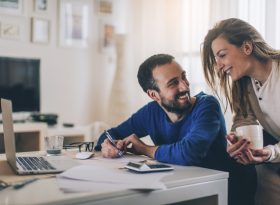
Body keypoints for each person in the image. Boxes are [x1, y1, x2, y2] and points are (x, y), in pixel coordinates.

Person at [95, 54, 256, 205]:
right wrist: (109, 145)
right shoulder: (151, 112)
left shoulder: (207, 105)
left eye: (184, 77)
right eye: (173, 83)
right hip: (184, 188)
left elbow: (190, 152)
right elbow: (109, 134)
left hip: (224, 191)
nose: (184, 86)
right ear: (154, 95)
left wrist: (144, 149)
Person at [202, 18, 280, 205]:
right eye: (216, 59)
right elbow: (244, 121)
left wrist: (271, 153)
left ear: (246, 47)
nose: (219, 65)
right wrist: (238, 144)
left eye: (222, 55)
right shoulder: (243, 84)